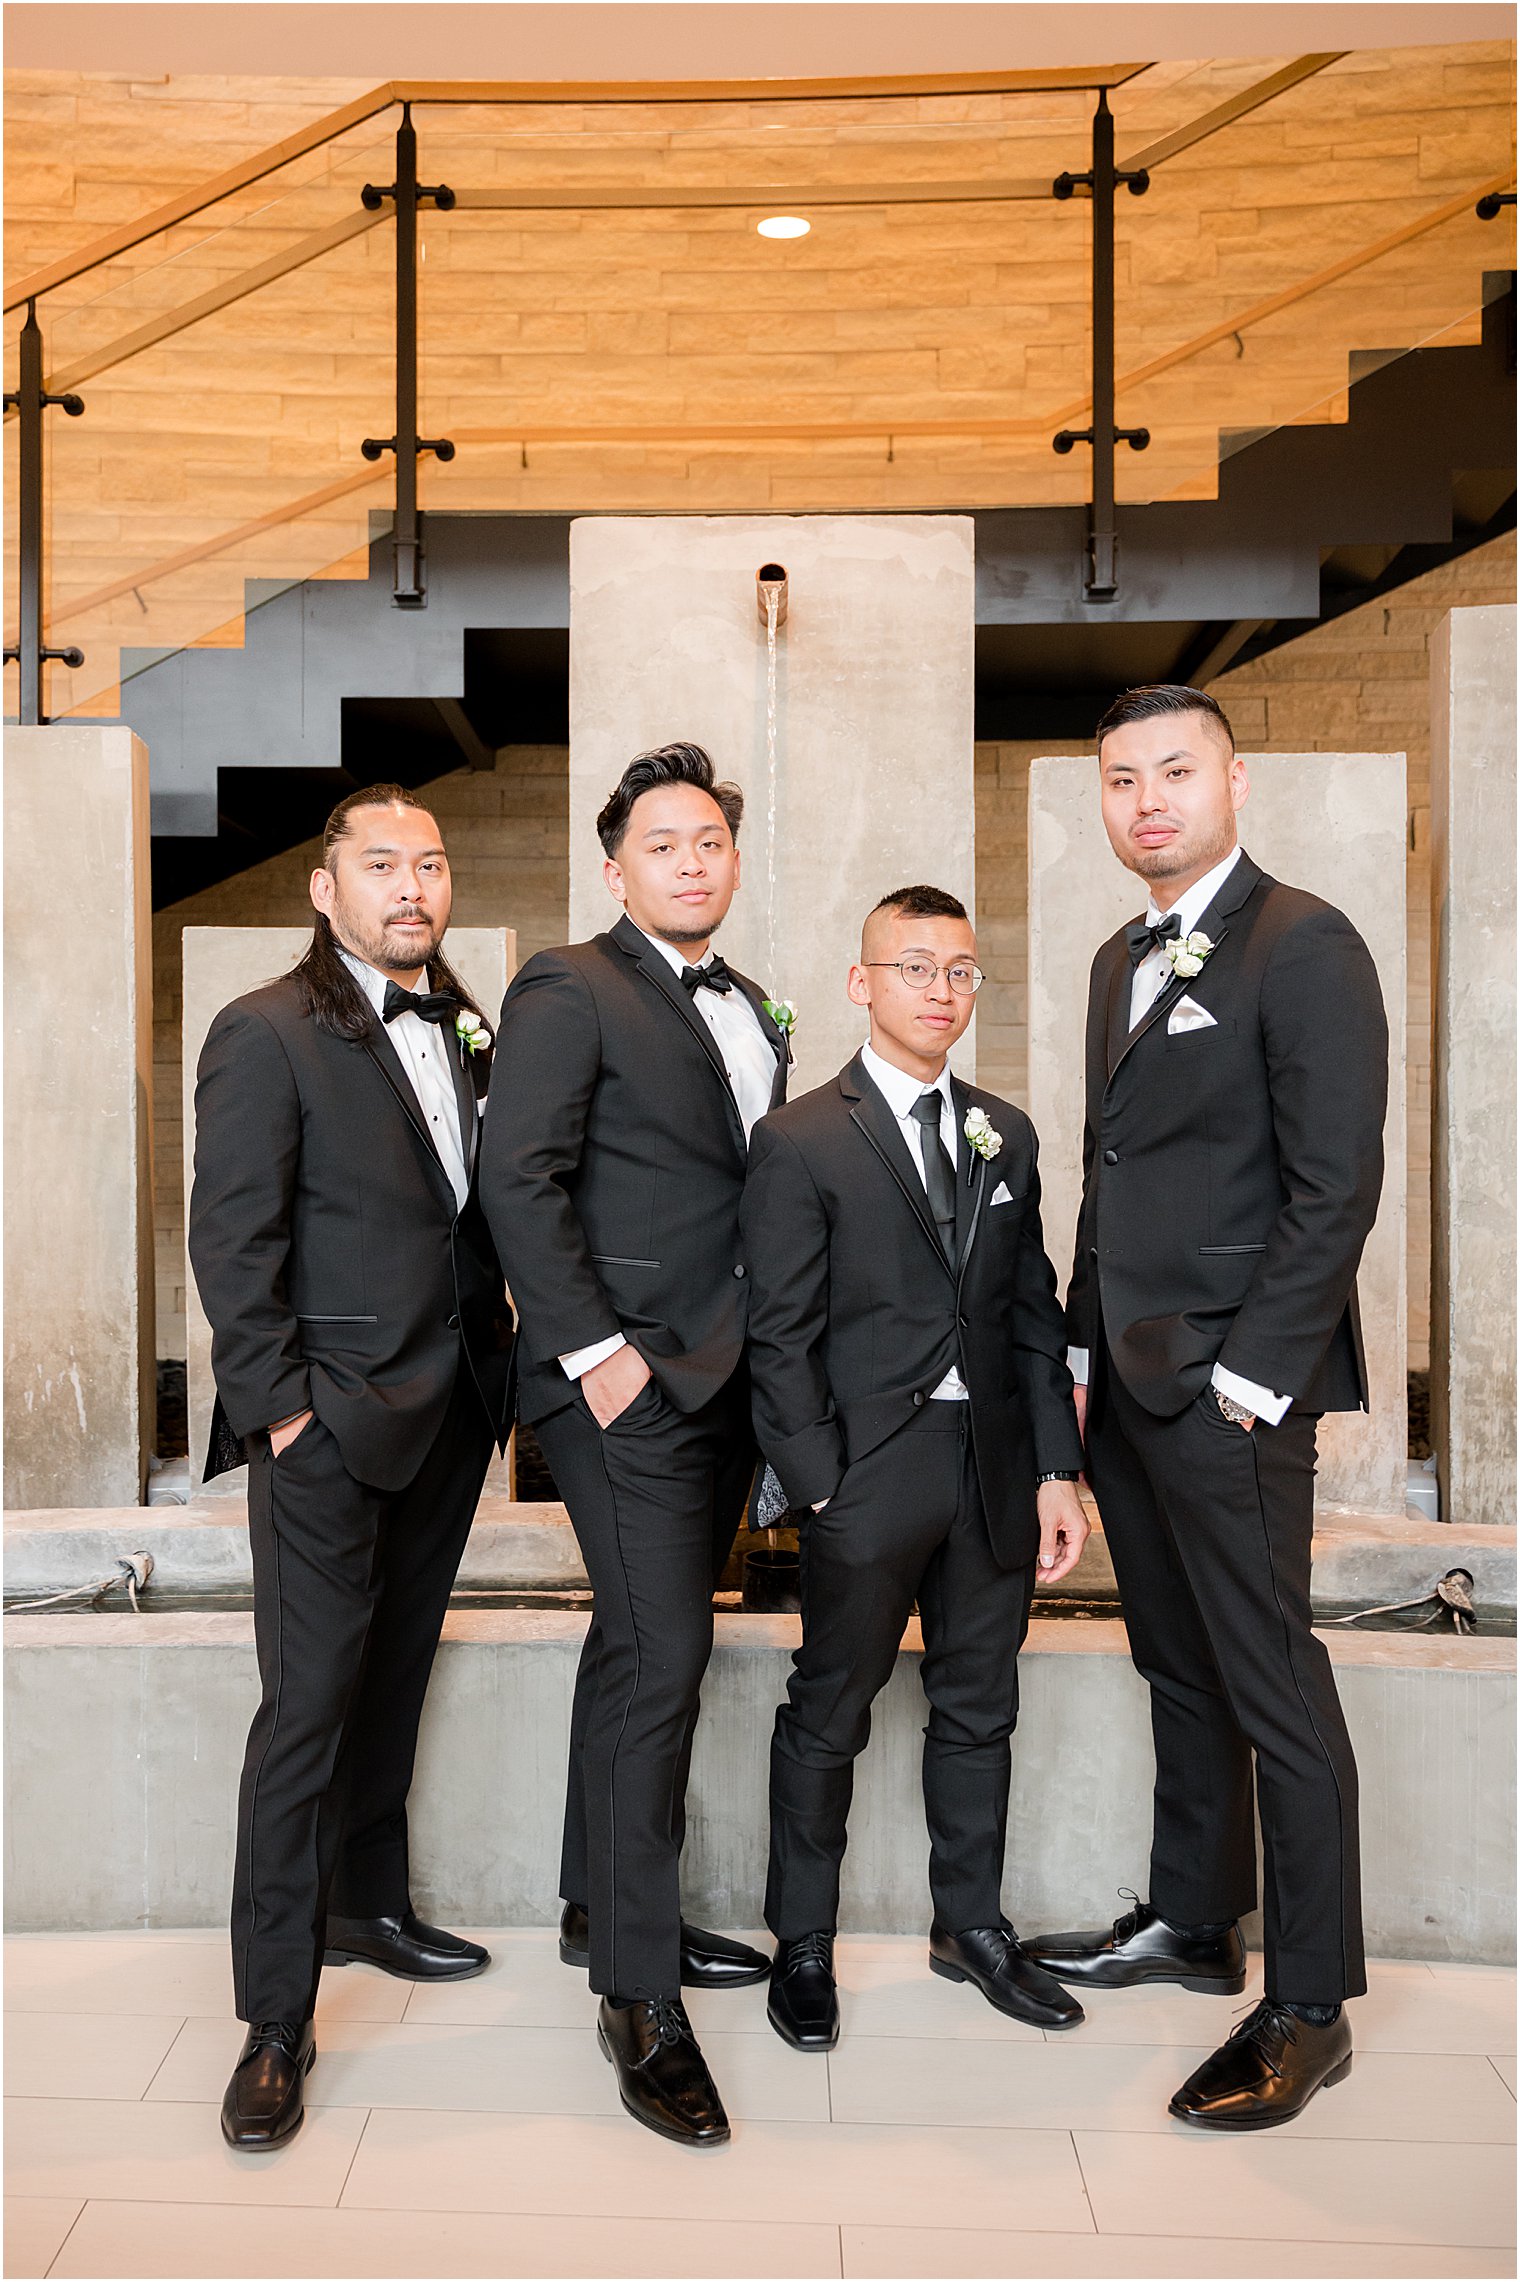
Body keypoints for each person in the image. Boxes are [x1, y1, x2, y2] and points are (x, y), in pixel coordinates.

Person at [1024, 684, 1389, 2130]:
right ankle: (1193, 1918)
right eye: (1122, 778)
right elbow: (1116, 1181)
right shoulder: (1120, 951)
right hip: (1126, 1378)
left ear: (1235, 782)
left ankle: (1310, 2003)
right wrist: (1072, 1349)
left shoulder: (1305, 941)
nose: (1148, 798)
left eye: (1176, 770)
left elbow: (1333, 1184)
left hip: (1234, 1388)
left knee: (1270, 1680)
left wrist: (1254, 1374)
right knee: (1177, 1666)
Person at [189, 784, 516, 2150]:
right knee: (305, 1708)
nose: (411, 886)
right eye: (380, 864)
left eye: (430, 864)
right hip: (325, 1425)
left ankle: (368, 1904)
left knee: (395, 1675)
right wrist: (282, 1419)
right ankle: (274, 2013)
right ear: (326, 889)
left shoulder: (470, 1024)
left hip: (451, 1416)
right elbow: (231, 1238)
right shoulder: (265, 1029)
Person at [479, 741, 788, 2147]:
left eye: (710, 839)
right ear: (618, 867)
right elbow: (516, 1181)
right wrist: (597, 1356)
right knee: (665, 1656)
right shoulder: (568, 983)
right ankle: (637, 1996)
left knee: (635, 1647)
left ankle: (605, 1901)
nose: (691, 858)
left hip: (722, 1385)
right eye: (663, 842)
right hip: (620, 1384)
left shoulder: (746, 1006)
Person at [740, 885, 1090, 2054]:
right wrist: (818, 1478)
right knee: (828, 1710)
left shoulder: (1006, 1131)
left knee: (978, 1704)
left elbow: (1030, 1315)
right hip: (867, 1470)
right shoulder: (798, 1137)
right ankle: (801, 1942)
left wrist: (1055, 1468)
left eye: (957, 971)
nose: (938, 990)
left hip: (991, 1466)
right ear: (862, 982)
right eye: (912, 966)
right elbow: (777, 1332)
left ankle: (970, 1926)